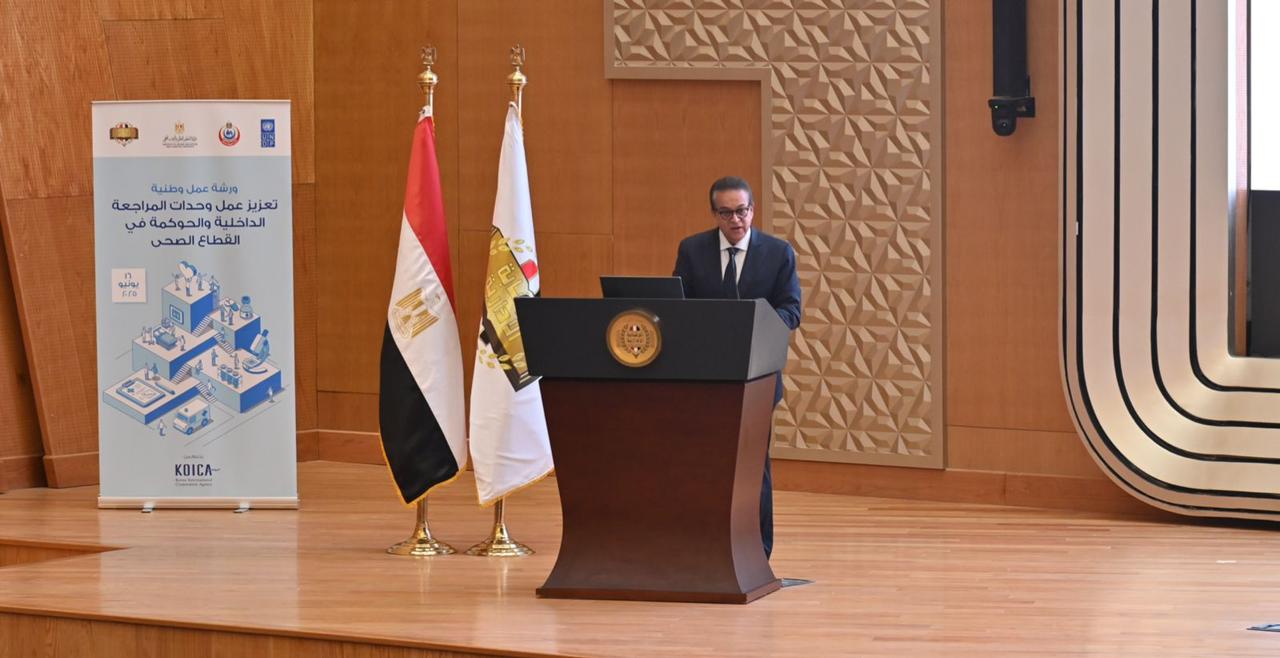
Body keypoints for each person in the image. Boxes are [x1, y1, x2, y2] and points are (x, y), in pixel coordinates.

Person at [672, 176, 801, 559]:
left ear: (753, 210)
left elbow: (791, 310)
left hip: (757, 376)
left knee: (752, 465)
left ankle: (758, 552)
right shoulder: (692, 250)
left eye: (742, 211)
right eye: (726, 213)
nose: (735, 220)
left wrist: (756, 326)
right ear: (714, 214)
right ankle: (705, 548)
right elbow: (678, 306)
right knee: (706, 463)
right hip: (706, 379)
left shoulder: (778, 253)